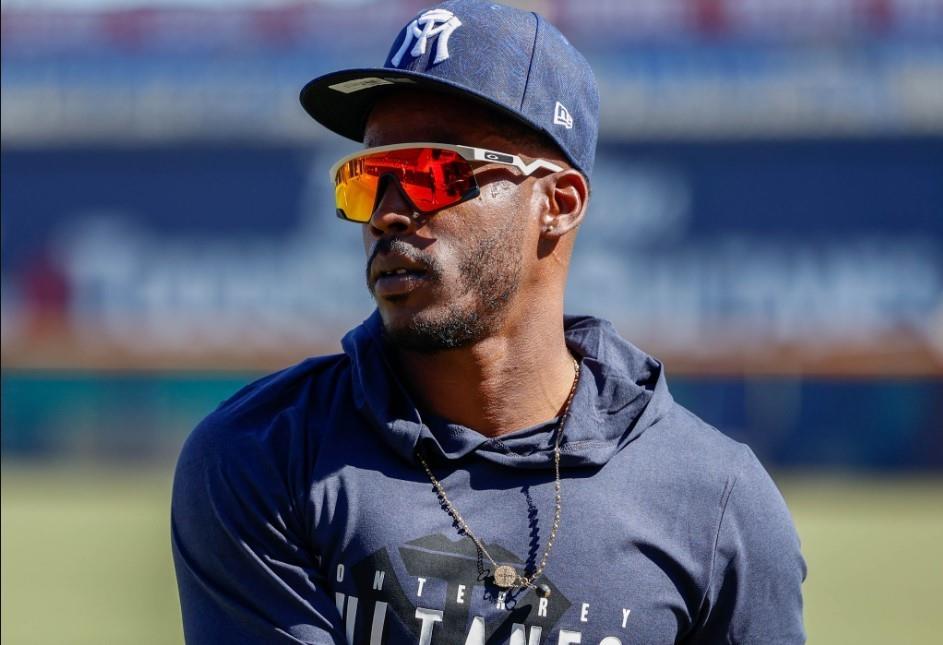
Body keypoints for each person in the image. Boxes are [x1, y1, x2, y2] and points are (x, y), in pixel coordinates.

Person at [171, 1, 806, 643]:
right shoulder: (266, 456)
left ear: (557, 203)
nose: (386, 215)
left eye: (431, 174)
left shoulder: (718, 501)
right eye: (367, 180)